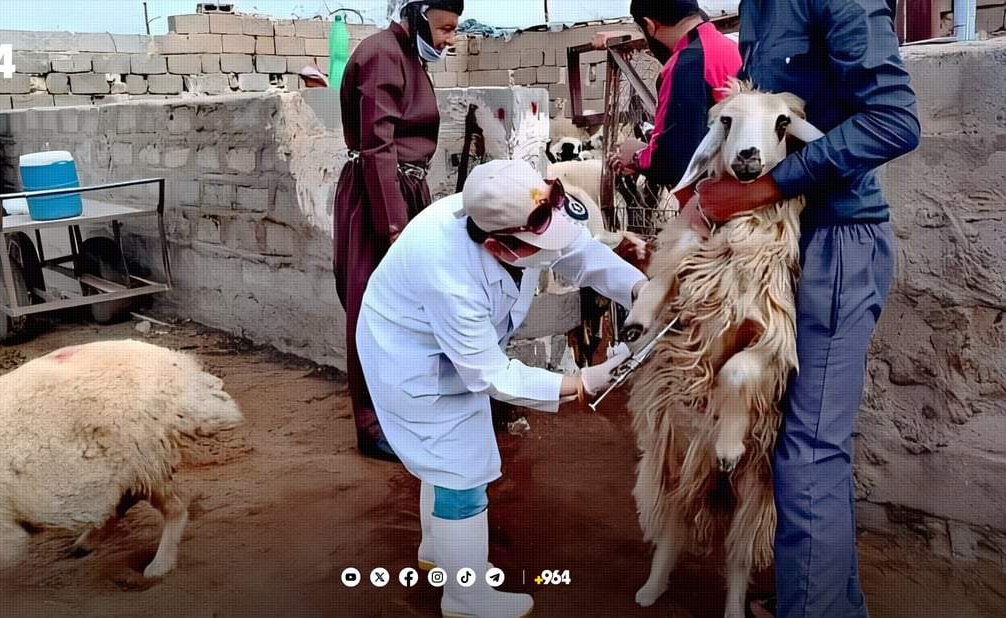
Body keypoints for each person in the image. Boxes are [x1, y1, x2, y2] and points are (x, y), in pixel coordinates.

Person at [687, 1, 921, 616]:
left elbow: (894, 121)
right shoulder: (755, 7)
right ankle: (827, 605)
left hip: (837, 245)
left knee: (808, 451)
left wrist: (766, 187)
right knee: (804, 446)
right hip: (785, 245)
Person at [357, 159, 646, 617]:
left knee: (445, 459)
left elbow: (578, 253)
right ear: (499, 246)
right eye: (538, 246)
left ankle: (439, 551)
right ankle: (465, 596)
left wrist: (638, 290)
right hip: (408, 355)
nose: (552, 249)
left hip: (436, 339)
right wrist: (578, 382)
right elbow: (490, 374)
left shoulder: (516, 211)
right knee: (463, 469)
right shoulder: (448, 269)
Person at [333, 0, 463, 462]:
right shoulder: (383, 55)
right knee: (372, 308)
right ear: (418, 12)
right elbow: (377, 146)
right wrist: (394, 227)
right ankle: (371, 426)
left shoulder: (407, 56)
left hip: (402, 191)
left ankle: (399, 411)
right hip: (377, 195)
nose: (449, 39)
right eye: (445, 27)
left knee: (406, 311)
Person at [593, 0, 742, 194]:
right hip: (741, 183)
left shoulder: (684, 66)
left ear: (650, 25)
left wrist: (637, 156)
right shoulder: (727, 47)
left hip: (715, 198)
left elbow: (677, 159)